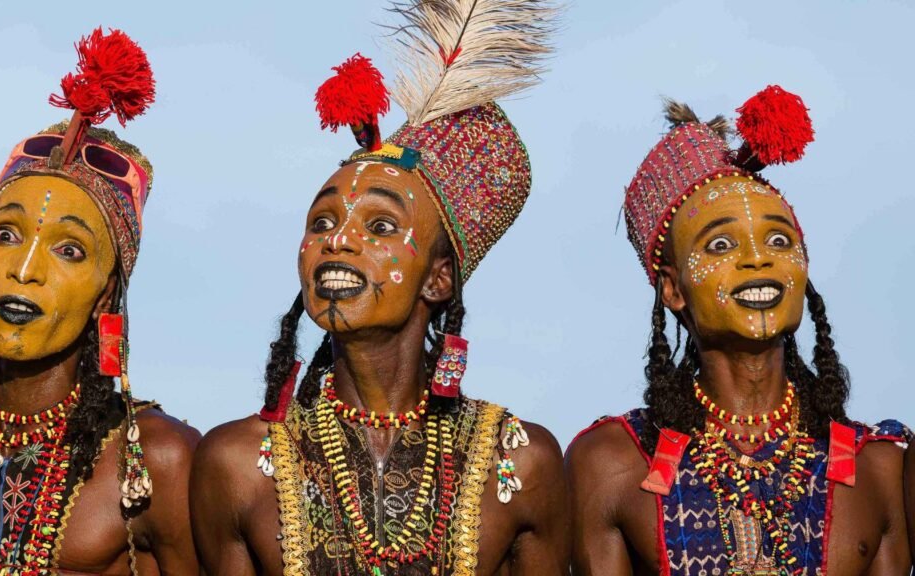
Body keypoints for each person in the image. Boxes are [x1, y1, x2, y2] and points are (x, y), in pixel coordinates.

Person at [191, 1, 568, 574]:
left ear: (440, 278)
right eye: (321, 222)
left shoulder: (521, 461)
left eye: (381, 226)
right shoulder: (235, 463)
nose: (336, 242)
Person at [566, 87, 913, 575]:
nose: (758, 258)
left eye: (779, 239)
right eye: (721, 244)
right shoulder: (613, 462)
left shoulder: (881, 466)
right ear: (673, 289)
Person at [0, 28, 200, 575]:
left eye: (69, 249)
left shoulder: (159, 460)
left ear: (107, 290)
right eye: (5, 235)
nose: (25, 269)